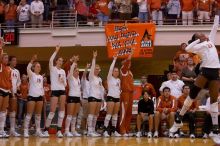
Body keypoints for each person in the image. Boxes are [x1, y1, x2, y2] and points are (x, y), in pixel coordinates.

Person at [170, 15, 220, 144]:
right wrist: (198, 40)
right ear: (197, 39)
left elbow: (215, 27)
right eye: (200, 34)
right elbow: (187, 48)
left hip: (215, 72)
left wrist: (216, 16)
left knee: (214, 100)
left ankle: (215, 131)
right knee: (192, 94)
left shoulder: (210, 42)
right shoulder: (198, 46)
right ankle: (178, 119)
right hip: (206, 70)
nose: (204, 34)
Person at [44, 45, 67, 138]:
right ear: (56, 61)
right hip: (55, 91)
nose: (61, 62)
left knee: (62, 111)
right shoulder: (52, 69)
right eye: (59, 60)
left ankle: (59, 131)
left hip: (62, 91)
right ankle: (46, 130)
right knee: (52, 111)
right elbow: (50, 60)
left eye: (62, 61)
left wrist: (63, 81)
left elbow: (65, 84)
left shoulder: (63, 71)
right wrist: (56, 51)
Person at [24, 55, 46, 138]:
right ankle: (26, 131)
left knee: (38, 115)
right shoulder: (31, 74)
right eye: (37, 66)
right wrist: (32, 60)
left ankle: (38, 131)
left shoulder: (41, 76)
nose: (39, 67)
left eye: (40, 67)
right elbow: (27, 68)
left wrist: (43, 96)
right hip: (32, 96)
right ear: (34, 68)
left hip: (40, 97)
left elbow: (41, 87)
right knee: (29, 114)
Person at [87, 51, 105, 137]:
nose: (97, 70)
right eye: (96, 69)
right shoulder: (91, 76)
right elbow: (93, 66)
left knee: (95, 115)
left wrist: (102, 99)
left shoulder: (100, 79)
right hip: (92, 97)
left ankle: (93, 130)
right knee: (91, 114)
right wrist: (94, 58)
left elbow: (101, 89)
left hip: (98, 98)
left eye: (98, 69)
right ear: (93, 69)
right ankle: (89, 131)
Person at [103, 55, 121, 137]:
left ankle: (114, 131)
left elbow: (119, 89)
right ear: (112, 72)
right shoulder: (109, 78)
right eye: (115, 71)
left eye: (117, 71)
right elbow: (110, 69)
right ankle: (105, 131)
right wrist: (114, 60)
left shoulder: (118, 80)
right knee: (109, 114)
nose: (116, 72)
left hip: (117, 98)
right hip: (110, 97)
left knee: (115, 115)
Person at [64, 55, 82, 137]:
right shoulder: (70, 77)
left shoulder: (78, 79)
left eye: (78, 71)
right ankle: (67, 131)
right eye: (76, 71)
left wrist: (80, 99)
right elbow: (71, 70)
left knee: (75, 115)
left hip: (77, 98)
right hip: (71, 97)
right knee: (70, 115)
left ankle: (73, 130)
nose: (77, 72)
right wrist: (74, 61)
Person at [119, 51, 134, 136]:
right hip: (125, 94)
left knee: (129, 113)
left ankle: (127, 129)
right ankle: (122, 130)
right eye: (128, 62)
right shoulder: (123, 70)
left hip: (130, 93)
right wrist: (130, 55)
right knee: (124, 113)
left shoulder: (129, 72)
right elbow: (127, 61)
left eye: (130, 63)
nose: (129, 63)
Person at [0, 39, 11, 138]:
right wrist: (1, 47)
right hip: (0, 89)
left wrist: (10, 88)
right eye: (5, 57)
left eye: (7, 58)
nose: (7, 59)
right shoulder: (1, 66)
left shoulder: (8, 69)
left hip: (7, 91)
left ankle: (1, 130)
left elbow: (10, 81)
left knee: (4, 112)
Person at [8, 56, 21, 137]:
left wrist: (17, 85)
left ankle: (12, 130)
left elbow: (19, 81)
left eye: (16, 60)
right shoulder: (7, 69)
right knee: (4, 111)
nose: (15, 61)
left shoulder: (17, 71)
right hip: (7, 91)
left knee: (13, 112)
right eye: (13, 60)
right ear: (10, 61)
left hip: (14, 93)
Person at [80, 63, 90, 135]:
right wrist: (86, 68)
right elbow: (83, 75)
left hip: (92, 100)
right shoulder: (84, 81)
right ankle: (83, 129)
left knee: (90, 116)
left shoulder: (92, 82)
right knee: (85, 116)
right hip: (85, 99)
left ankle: (89, 129)